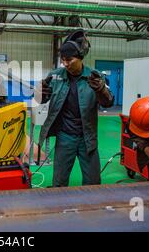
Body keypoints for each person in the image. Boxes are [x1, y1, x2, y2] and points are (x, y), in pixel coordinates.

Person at [34, 29, 114, 187]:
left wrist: (101, 90)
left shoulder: (95, 76)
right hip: (65, 137)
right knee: (59, 181)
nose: (65, 64)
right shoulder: (56, 76)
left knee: (93, 182)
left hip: (88, 138)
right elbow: (41, 100)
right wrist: (39, 93)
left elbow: (108, 103)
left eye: (69, 60)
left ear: (80, 58)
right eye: (63, 60)